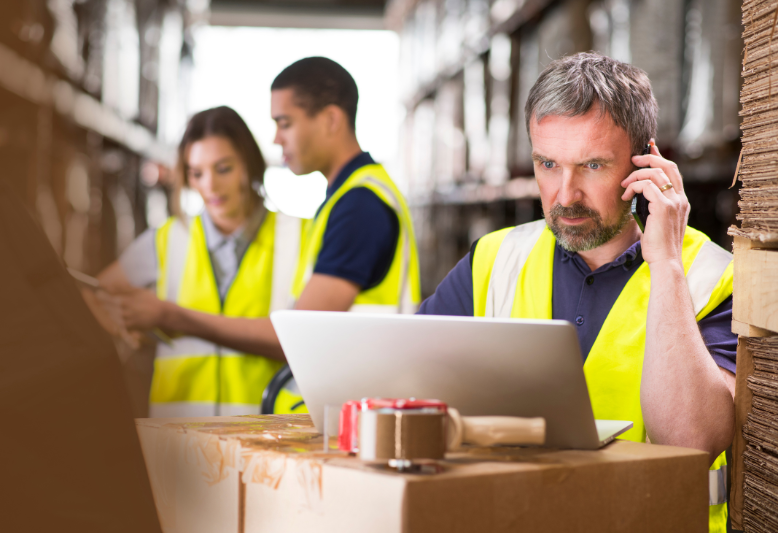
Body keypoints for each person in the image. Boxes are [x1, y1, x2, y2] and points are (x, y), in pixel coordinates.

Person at [418, 52, 735, 533]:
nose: (565, 195)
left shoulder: (709, 276)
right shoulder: (494, 260)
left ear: (645, 163)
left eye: (591, 165)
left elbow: (690, 441)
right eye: (548, 163)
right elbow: (407, 389)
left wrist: (666, 263)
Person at [96, 106, 302, 417]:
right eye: (197, 173)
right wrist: (123, 324)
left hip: (266, 442)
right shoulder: (167, 239)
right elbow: (95, 294)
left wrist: (167, 315)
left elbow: (302, 340)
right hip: (179, 444)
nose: (210, 186)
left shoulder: (297, 234)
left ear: (249, 164)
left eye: (223, 169)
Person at [270, 57, 420, 315]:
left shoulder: (360, 207)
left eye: (285, 124)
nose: (276, 139)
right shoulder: (347, 196)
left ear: (331, 120)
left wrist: (184, 320)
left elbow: (303, 331)